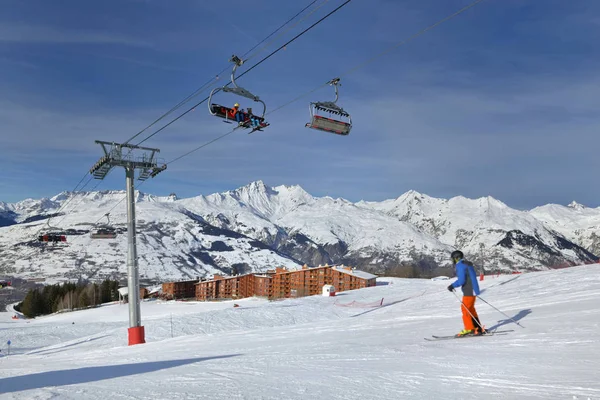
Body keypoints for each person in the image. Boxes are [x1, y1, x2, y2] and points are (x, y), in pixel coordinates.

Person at [447, 250, 486, 337]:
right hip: (473, 290)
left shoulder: (460, 265)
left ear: (457, 258)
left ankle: (469, 329)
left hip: (468, 290)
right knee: (470, 309)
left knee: (465, 309)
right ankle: (477, 328)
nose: (453, 260)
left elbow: (461, 280)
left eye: (453, 258)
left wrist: (452, 286)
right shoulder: (467, 264)